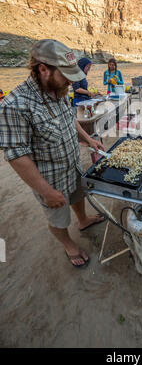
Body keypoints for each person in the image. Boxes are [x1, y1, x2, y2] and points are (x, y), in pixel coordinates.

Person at [0, 39, 105, 268]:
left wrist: (89, 140)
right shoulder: (14, 105)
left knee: (78, 196)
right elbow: (17, 156)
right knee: (57, 218)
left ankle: (83, 220)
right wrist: (46, 192)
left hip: (72, 164)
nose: (70, 80)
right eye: (65, 74)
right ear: (43, 69)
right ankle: (68, 244)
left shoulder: (59, 89)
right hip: (50, 178)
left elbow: (70, 120)